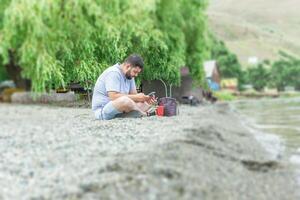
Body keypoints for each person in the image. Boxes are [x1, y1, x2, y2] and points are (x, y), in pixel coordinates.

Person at [92, 54, 156, 120]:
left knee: (144, 104)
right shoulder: (114, 72)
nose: (136, 75)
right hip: (103, 110)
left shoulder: (130, 76)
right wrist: (137, 97)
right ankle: (142, 113)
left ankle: (136, 113)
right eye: (135, 72)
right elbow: (113, 97)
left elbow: (134, 96)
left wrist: (145, 99)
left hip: (119, 109)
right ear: (128, 66)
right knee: (125, 100)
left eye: (138, 73)